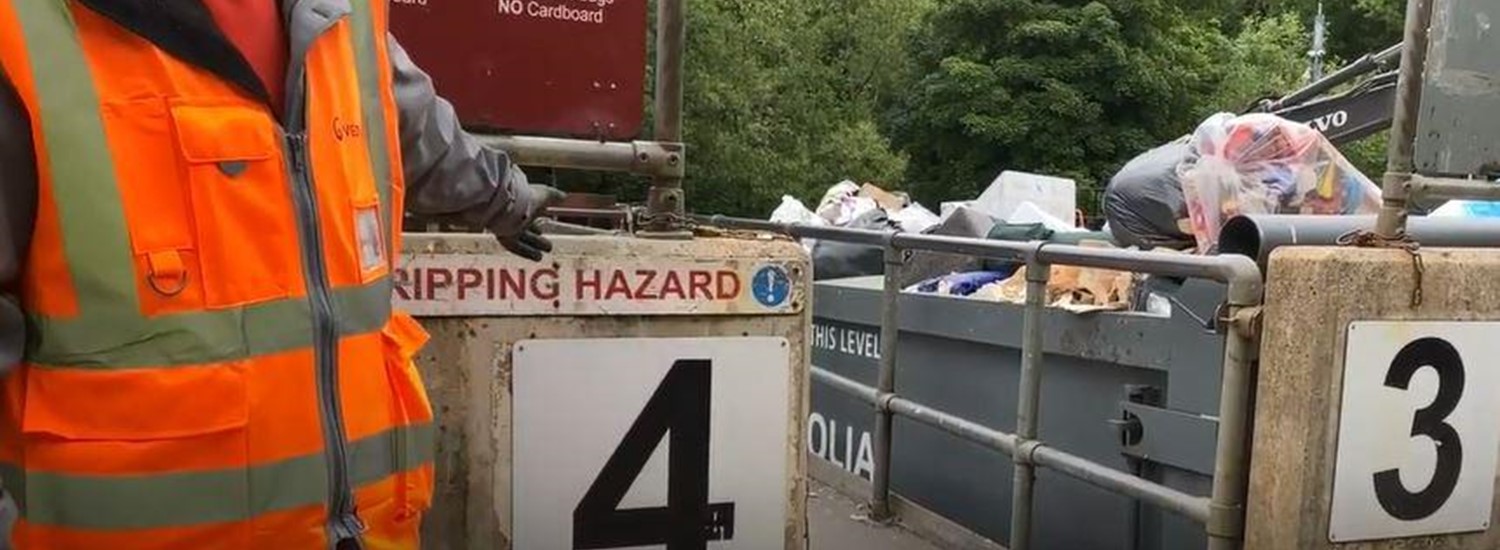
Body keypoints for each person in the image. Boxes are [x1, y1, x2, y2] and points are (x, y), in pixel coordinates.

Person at [0, 1, 563, 548]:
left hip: (368, 528)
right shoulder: (22, 33)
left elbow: (399, 114)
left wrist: (502, 197)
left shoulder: (345, 12)